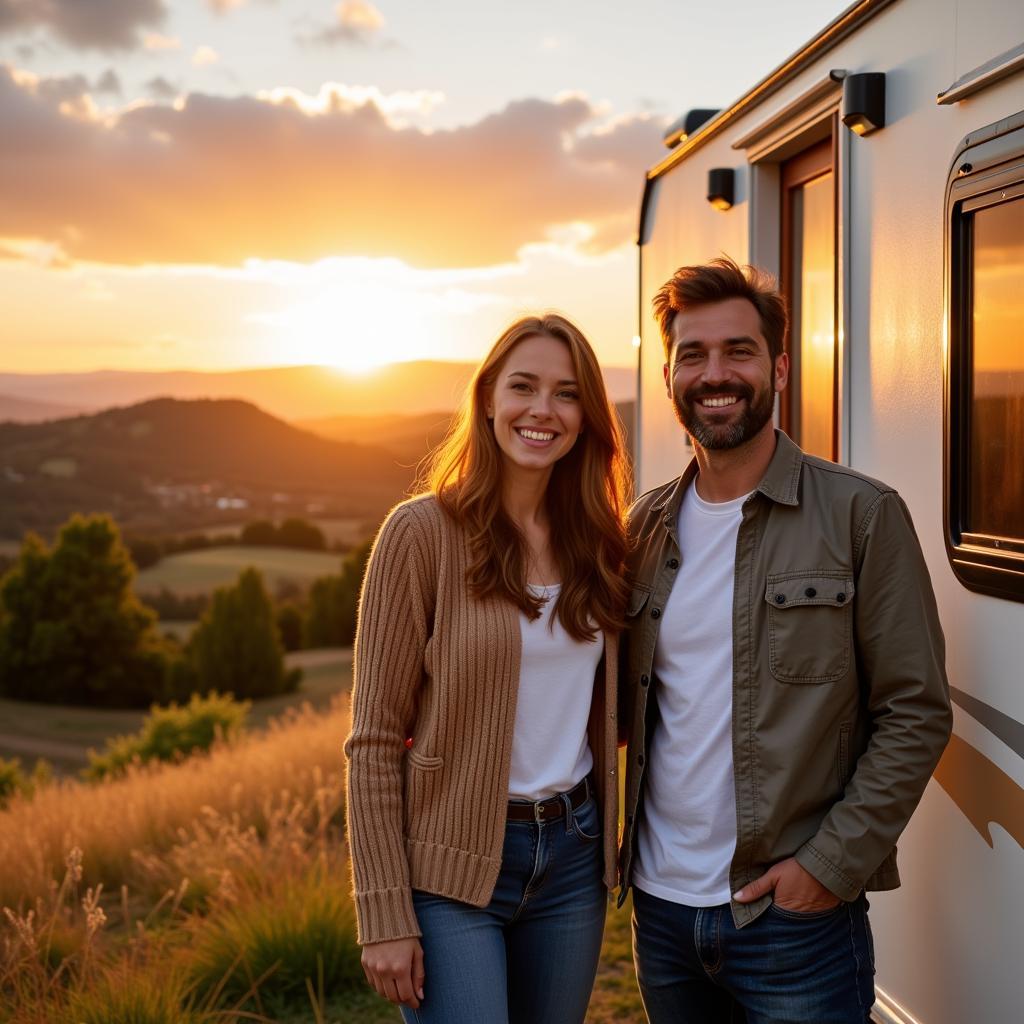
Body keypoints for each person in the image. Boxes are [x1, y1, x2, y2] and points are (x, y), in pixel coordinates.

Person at [619, 257, 952, 1024]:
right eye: (692, 355)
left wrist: (827, 868)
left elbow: (917, 710)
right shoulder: (641, 531)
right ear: (669, 375)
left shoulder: (861, 516)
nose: (715, 374)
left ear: (777, 367)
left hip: (791, 920)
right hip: (662, 912)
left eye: (737, 351)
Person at [344, 313, 630, 1024]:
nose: (543, 410)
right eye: (523, 387)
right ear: (487, 401)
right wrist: (384, 912)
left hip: (574, 857)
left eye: (566, 394)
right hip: (452, 863)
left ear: (587, 416)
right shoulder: (420, 534)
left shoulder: (600, 541)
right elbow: (374, 740)